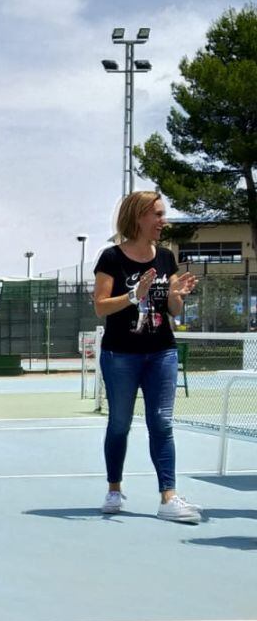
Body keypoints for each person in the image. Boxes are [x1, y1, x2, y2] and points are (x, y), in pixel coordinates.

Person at [92, 189, 199, 523]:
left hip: (161, 353)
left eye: (162, 214)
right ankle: (114, 488)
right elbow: (100, 307)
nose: (162, 221)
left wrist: (177, 296)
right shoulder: (111, 258)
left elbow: (173, 309)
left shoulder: (166, 257)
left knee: (162, 423)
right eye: (157, 214)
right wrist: (134, 295)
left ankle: (168, 497)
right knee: (119, 424)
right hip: (120, 355)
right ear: (138, 216)